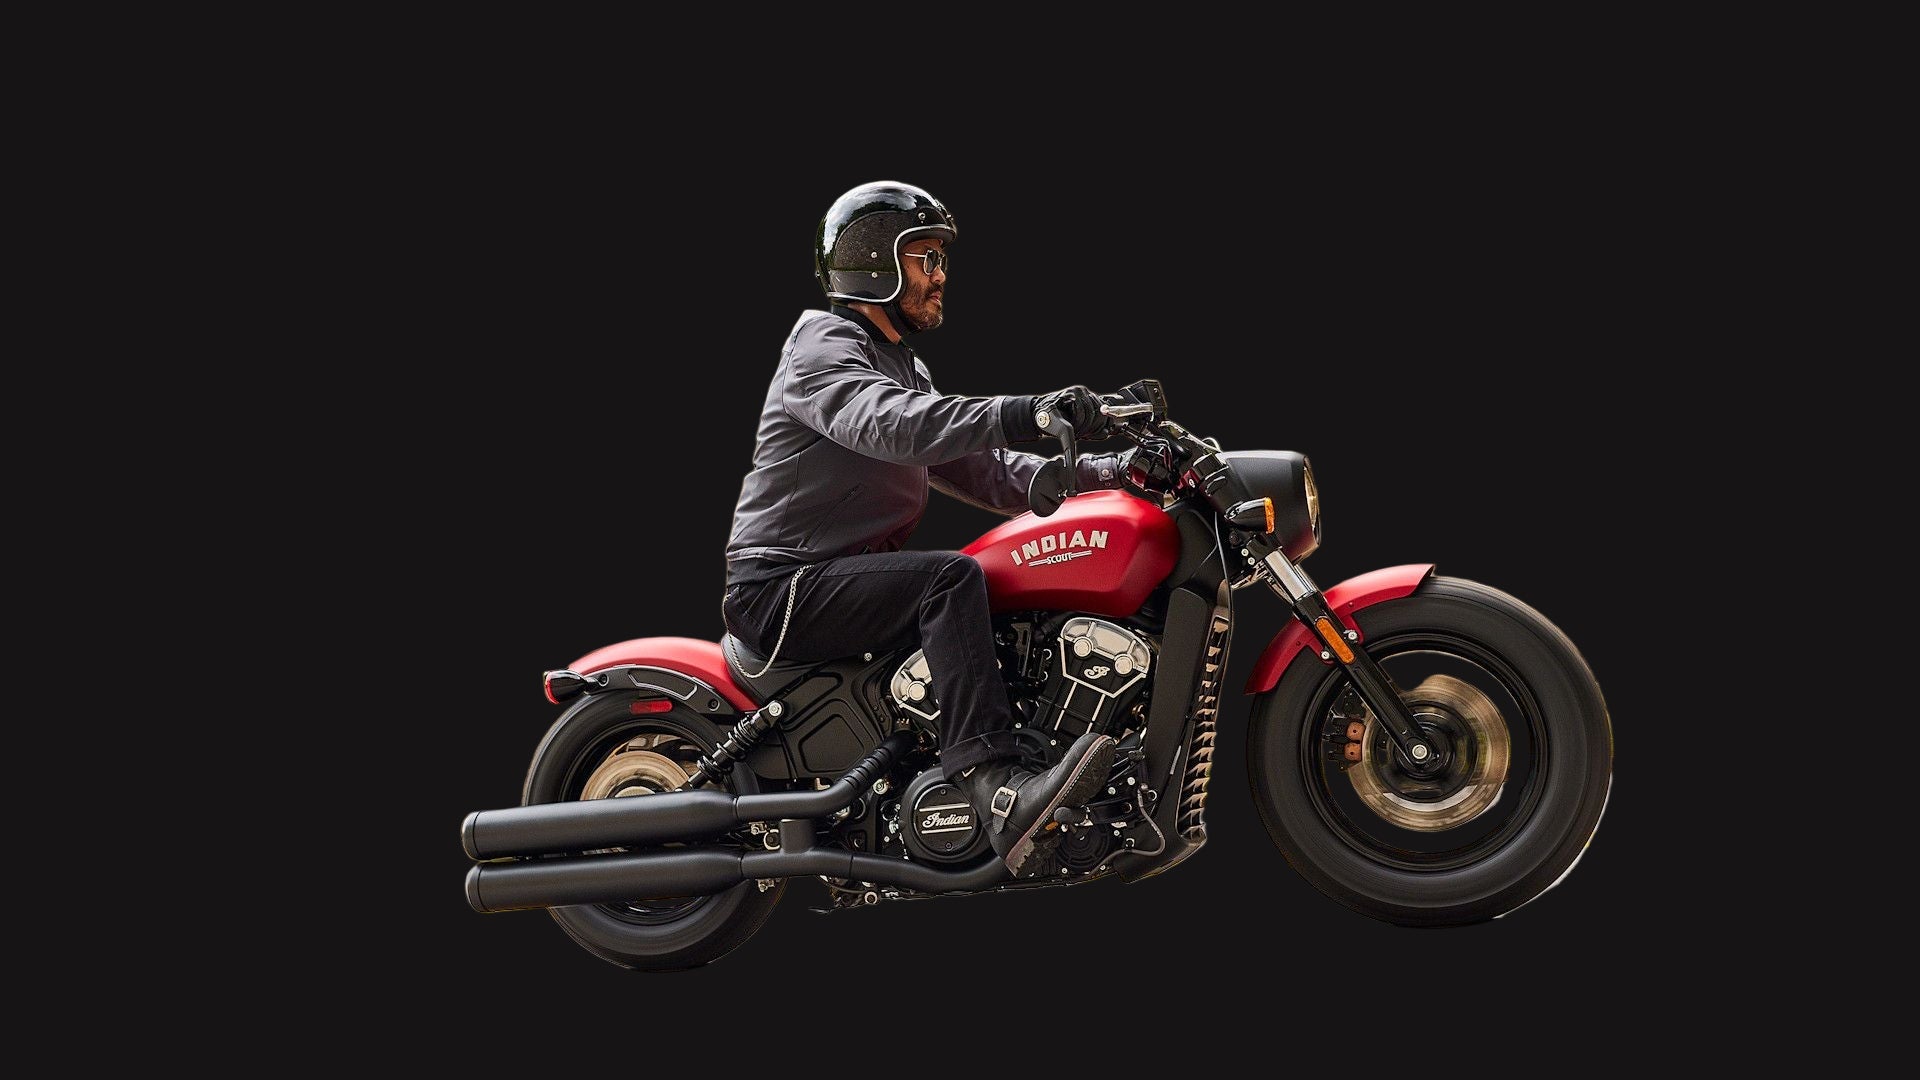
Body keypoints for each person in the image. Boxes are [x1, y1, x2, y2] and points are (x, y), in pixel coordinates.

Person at [720, 180, 1130, 878]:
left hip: (836, 582)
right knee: (950, 578)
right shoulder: (823, 347)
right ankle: (995, 787)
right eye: (925, 258)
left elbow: (989, 472)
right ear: (874, 262)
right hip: (780, 588)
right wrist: (1026, 409)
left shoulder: (904, 365)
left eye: (940, 258)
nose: (941, 276)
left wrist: (1115, 467)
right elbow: (894, 425)